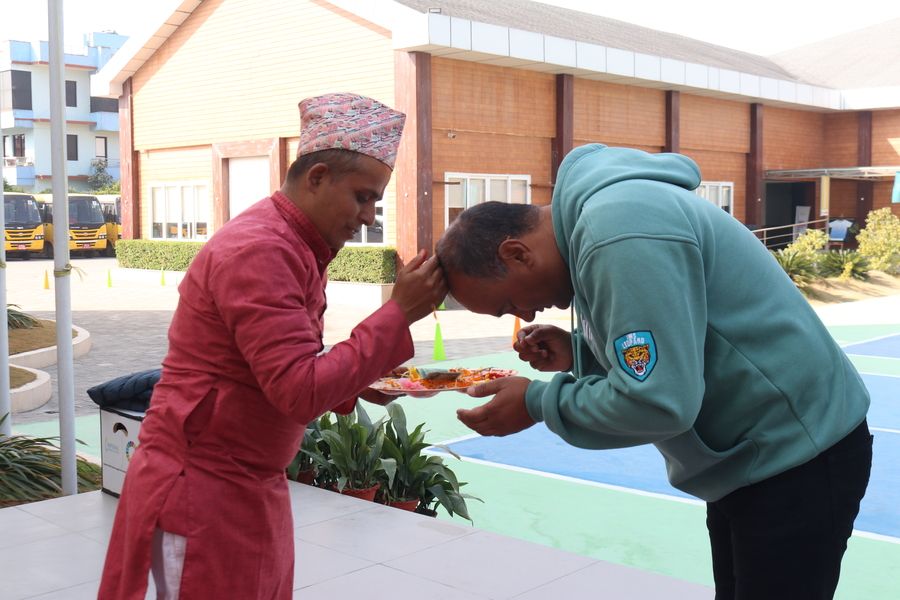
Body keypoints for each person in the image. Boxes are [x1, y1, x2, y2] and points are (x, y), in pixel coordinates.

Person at [436, 143, 872, 600]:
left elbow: (659, 403)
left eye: (509, 303)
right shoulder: (605, 220)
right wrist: (581, 353)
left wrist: (536, 402)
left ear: (517, 253)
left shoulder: (617, 232)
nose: (524, 315)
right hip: (756, 457)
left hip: (797, 455)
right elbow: (677, 343)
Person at [99, 93, 447, 599]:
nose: (370, 216)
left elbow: (278, 370)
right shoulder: (262, 249)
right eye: (363, 197)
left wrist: (357, 382)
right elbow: (298, 390)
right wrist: (397, 313)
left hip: (241, 483)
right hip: (204, 487)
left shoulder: (293, 243)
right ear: (317, 177)